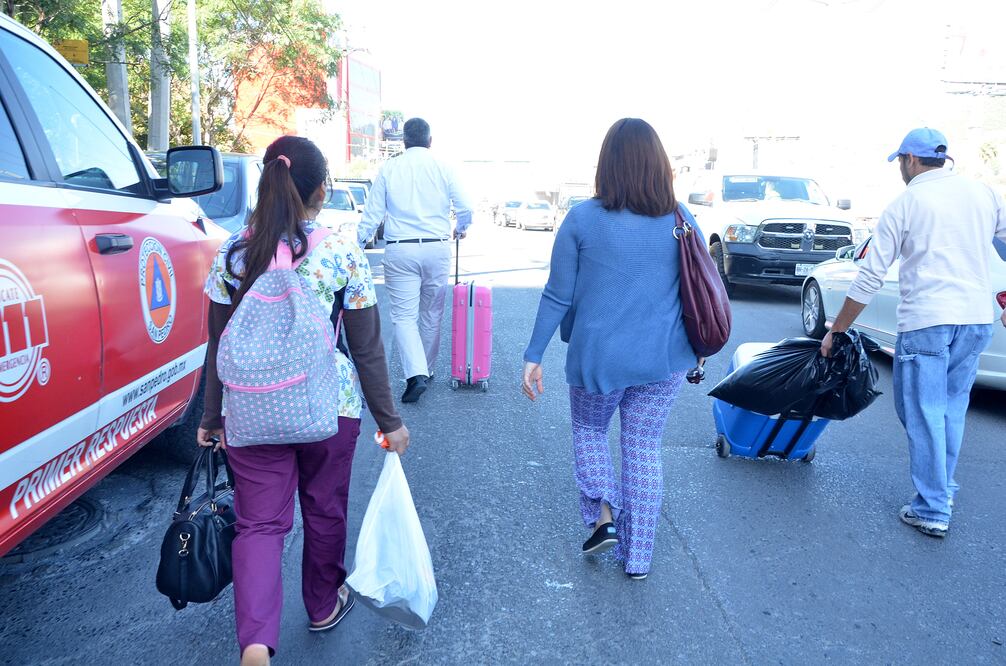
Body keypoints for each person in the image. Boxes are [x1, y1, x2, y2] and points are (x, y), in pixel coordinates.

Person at [197, 135, 410, 666]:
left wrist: (210, 415)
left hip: (251, 410)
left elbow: (219, 343)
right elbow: (366, 347)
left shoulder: (233, 253)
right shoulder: (340, 251)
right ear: (318, 192)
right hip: (328, 408)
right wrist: (391, 421)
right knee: (324, 508)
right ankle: (321, 604)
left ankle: (255, 644)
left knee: (260, 524)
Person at [521, 118, 704, 580]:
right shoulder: (681, 219)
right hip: (664, 360)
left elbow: (558, 294)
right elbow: (700, 287)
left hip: (599, 359)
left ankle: (603, 517)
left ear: (607, 165)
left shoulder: (583, 219)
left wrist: (534, 354)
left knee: (589, 431)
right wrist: (699, 346)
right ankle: (638, 559)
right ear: (659, 165)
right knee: (643, 448)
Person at [821, 127, 1006, 539]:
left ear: (909, 160)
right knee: (950, 409)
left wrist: (837, 329)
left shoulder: (906, 204)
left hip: (928, 321)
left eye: (900, 163)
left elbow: (869, 276)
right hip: (976, 321)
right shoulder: (985, 194)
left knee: (920, 413)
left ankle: (933, 508)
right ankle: (945, 488)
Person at [357, 117, 474, 403]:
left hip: (401, 249)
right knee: (431, 313)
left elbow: (373, 213)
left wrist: (357, 243)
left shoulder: (389, 167)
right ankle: (427, 369)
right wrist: (460, 229)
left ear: (404, 141)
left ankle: (415, 374)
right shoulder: (444, 167)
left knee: (404, 317)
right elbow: (466, 207)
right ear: (430, 141)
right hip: (436, 247)